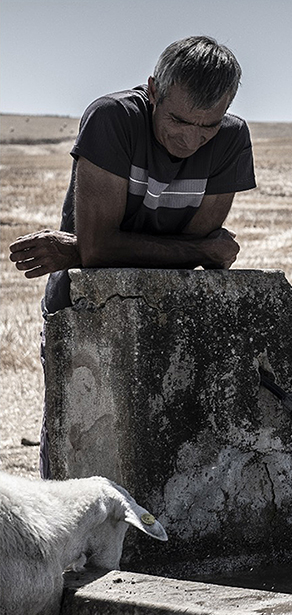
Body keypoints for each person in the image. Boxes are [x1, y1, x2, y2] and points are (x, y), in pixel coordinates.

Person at [7, 36, 257, 477]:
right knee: (79, 460)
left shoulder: (233, 137)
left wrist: (79, 249)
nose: (192, 138)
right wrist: (192, 249)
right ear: (154, 90)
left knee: (166, 456)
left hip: (171, 312)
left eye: (208, 126)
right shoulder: (113, 118)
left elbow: (104, 249)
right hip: (83, 309)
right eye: (180, 120)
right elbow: (188, 250)